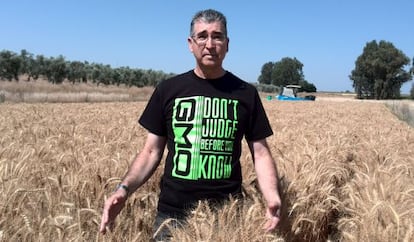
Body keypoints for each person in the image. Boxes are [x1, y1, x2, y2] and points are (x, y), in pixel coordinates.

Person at [99, 9, 282, 240]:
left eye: (217, 36)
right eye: (202, 36)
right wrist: (123, 190)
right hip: (171, 217)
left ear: (227, 44)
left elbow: (261, 152)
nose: (210, 43)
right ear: (190, 43)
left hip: (227, 217)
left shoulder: (246, 93)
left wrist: (272, 196)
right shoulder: (168, 90)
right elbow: (151, 151)